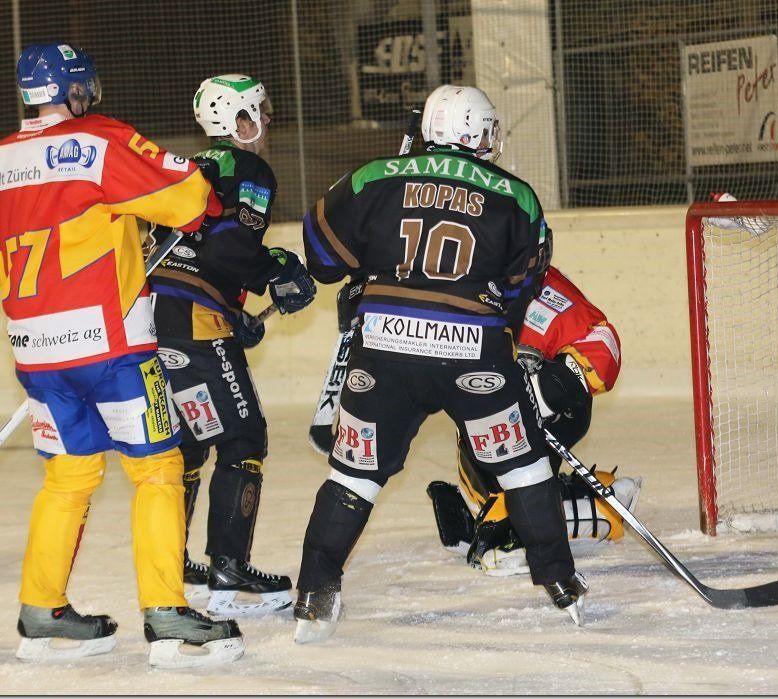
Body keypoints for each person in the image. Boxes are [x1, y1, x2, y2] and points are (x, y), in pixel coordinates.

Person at [294, 84, 588, 643]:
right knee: (522, 467)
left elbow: (321, 255)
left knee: (353, 474)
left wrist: (372, 267)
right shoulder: (517, 195)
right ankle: (560, 583)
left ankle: (314, 593)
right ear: (477, 133)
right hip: (471, 354)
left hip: (383, 350)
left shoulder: (374, 176)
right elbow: (522, 285)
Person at [2, 43, 243, 667]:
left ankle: (40, 607)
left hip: (34, 349)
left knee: (69, 476)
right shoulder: (97, 140)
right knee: (158, 468)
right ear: (78, 91)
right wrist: (206, 188)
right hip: (111, 348)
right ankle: (166, 614)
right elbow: (190, 199)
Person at [148, 74, 316, 616]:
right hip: (195, 318)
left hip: (160, 315)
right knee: (244, 437)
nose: (265, 120)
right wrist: (278, 268)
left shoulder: (186, 165)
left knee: (192, 443)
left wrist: (234, 309)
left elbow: (190, 250)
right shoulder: (249, 168)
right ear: (235, 121)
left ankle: (171, 558)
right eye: (257, 111)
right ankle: (228, 566)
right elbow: (228, 249)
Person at [427, 242, 642, 575]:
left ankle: (593, 512)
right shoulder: (463, 286)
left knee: (508, 518)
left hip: (552, 415)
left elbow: (604, 345)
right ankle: (583, 502)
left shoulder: (550, 297)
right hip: (488, 410)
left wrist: (544, 391)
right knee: (485, 498)